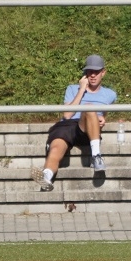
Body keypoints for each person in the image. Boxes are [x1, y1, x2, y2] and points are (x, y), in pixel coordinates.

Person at [32, 54, 117, 192]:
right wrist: (81, 89)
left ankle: (96, 157)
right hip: (67, 126)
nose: (93, 75)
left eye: (96, 72)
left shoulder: (110, 94)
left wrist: (101, 117)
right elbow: (67, 114)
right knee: (55, 148)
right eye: (89, 71)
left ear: (103, 72)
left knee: (89, 108)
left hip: (86, 127)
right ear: (85, 74)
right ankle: (47, 176)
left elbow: (104, 112)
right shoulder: (73, 89)